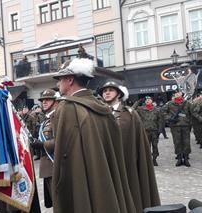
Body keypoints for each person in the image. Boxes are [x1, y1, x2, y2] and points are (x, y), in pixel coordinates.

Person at [52, 58, 136, 213]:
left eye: (60, 79)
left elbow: (65, 156)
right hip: (106, 181)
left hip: (81, 184)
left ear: (70, 80)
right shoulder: (102, 106)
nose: (58, 84)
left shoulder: (68, 107)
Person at [99, 82, 160, 212]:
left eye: (111, 90)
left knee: (129, 190)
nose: (107, 93)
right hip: (106, 162)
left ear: (119, 94)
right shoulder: (98, 114)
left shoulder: (130, 114)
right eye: (104, 91)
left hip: (127, 161)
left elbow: (138, 141)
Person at [31, 89, 59, 208]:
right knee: (56, 203)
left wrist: (42, 145)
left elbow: (61, 140)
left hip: (56, 166)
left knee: (60, 203)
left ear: (56, 102)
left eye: (48, 100)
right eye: (43, 100)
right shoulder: (46, 120)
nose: (44, 102)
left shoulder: (58, 117)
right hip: (47, 168)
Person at [162, 89, 192, 167]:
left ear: (181, 94)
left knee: (186, 142)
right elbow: (162, 112)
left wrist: (189, 121)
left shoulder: (187, 103)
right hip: (175, 126)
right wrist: (170, 118)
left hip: (185, 125)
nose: (176, 94)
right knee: (177, 142)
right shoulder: (170, 104)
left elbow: (192, 112)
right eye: (175, 93)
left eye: (178, 93)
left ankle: (185, 158)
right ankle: (179, 158)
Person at [136, 96, 162, 166]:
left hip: (154, 131)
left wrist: (160, 130)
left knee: (155, 145)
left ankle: (154, 159)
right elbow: (132, 109)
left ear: (152, 101)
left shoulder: (157, 109)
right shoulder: (141, 109)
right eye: (146, 99)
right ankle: (148, 160)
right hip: (145, 131)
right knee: (146, 146)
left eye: (149, 99)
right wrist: (138, 102)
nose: (147, 100)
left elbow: (160, 120)